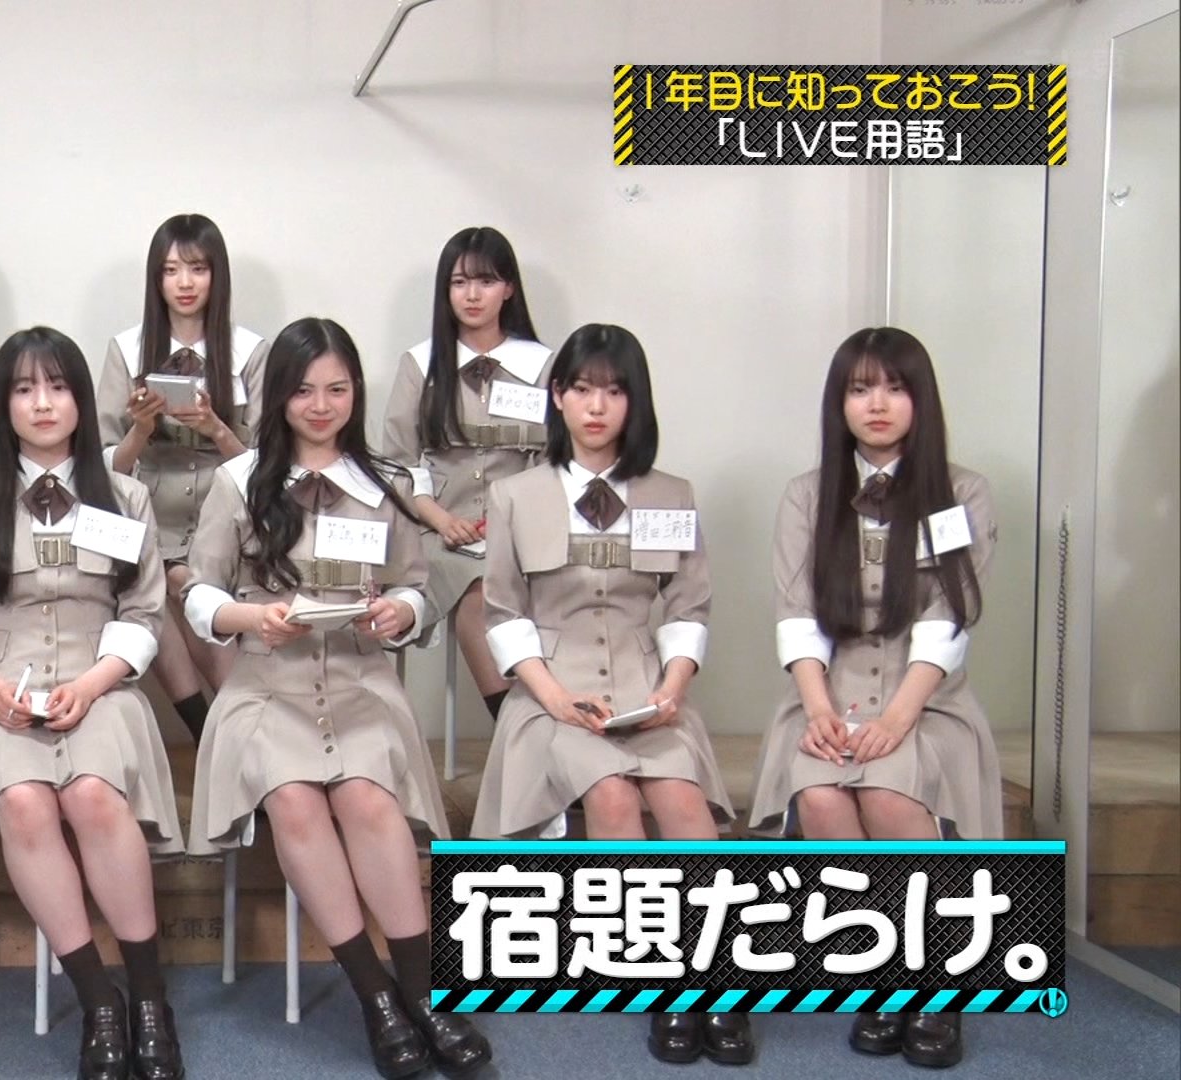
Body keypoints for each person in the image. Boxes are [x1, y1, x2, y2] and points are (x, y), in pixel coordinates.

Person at [183, 317, 492, 1079]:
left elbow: (416, 584)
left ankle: (424, 995)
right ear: (277, 397)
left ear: (356, 392)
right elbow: (197, 593)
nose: (320, 406)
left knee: (368, 801)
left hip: (358, 680)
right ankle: (375, 997)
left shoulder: (385, 482)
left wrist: (399, 613)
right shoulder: (239, 480)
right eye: (303, 391)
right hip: (267, 686)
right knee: (293, 801)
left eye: (337, 389)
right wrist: (253, 617)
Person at [467, 323, 747, 1065]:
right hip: (550, 695)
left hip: (648, 689)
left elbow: (688, 607)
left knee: (682, 799)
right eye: (583, 389)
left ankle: (714, 980)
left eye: (615, 391)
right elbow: (503, 614)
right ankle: (665, 985)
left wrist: (673, 686)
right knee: (613, 795)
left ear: (635, 402)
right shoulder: (516, 495)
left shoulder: (670, 494)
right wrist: (555, 698)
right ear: (557, 396)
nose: (597, 406)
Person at [0, 327, 187, 1080]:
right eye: (24, 388)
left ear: (82, 400)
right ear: (3, 405)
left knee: (95, 796)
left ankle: (149, 998)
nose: (43, 403)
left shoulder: (125, 497)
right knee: (25, 802)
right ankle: (98, 1000)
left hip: (100, 684)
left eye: (59, 387)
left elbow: (143, 613)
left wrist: (94, 682)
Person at [748, 327, 998, 1070]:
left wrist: (897, 718)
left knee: (890, 795)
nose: (877, 403)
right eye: (860, 389)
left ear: (921, 399)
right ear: (840, 402)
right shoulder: (807, 494)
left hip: (925, 696)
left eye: (894, 387)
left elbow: (948, 616)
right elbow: (797, 611)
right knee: (822, 798)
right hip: (827, 692)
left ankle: (937, 983)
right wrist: (818, 709)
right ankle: (888, 977)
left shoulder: (963, 493)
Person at [95, 213, 270, 740]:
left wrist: (216, 428)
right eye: (171, 271)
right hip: (150, 516)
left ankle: (229, 727)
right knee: (161, 582)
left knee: (179, 583)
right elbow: (104, 466)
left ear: (218, 275)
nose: (185, 283)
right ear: (156, 280)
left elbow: (268, 466)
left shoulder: (250, 352)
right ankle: (225, 728)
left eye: (197, 268)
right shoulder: (127, 350)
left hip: (229, 514)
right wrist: (142, 430)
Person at [381, 226, 552, 722]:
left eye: (486, 281)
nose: (472, 295)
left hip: (521, 527)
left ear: (509, 288)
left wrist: (509, 519)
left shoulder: (542, 365)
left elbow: (554, 462)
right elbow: (398, 462)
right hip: (437, 533)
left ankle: (542, 726)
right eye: (459, 283)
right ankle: (519, 728)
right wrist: (438, 518)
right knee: (480, 595)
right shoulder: (420, 364)